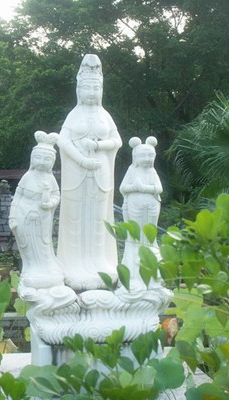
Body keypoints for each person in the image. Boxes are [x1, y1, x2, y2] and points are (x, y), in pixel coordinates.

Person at [57, 54, 122, 291]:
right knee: (76, 218)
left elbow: (117, 141)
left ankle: (99, 261)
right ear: (79, 89)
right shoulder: (74, 115)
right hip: (77, 173)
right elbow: (62, 140)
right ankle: (74, 263)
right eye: (87, 88)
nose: (92, 93)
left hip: (100, 174)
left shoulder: (105, 116)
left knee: (98, 218)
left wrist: (98, 145)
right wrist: (82, 159)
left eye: (96, 88)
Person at [9, 131, 64, 289]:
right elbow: (17, 197)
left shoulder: (50, 178)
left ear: (52, 162)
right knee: (26, 243)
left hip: (42, 215)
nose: (41, 162)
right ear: (32, 158)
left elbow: (56, 195)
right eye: (38, 157)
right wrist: (12, 216)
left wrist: (50, 203)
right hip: (24, 211)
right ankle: (31, 268)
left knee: (43, 243)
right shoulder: (27, 176)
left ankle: (46, 269)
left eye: (47, 159)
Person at [119, 136, 163, 291]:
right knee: (135, 236)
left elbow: (159, 189)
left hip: (151, 205)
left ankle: (151, 264)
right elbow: (123, 188)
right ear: (135, 157)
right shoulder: (132, 170)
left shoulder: (152, 171)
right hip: (134, 205)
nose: (146, 158)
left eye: (150, 155)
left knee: (149, 235)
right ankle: (134, 267)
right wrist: (134, 187)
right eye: (142, 155)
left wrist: (145, 188)